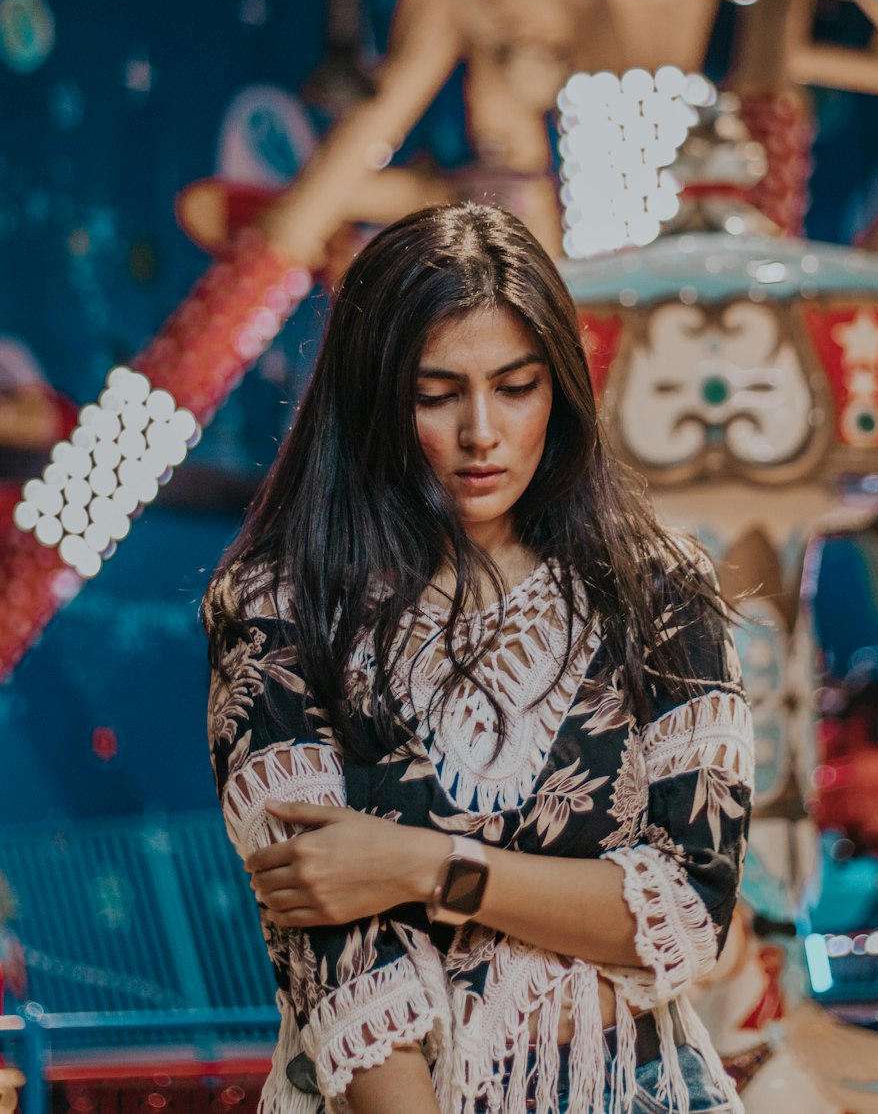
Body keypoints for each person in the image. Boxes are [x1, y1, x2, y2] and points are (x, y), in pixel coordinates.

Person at [203, 203, 753, 1114]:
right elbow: (341, 957)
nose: (481, 432)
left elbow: (689, 910)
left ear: (561, 387)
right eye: (435, 393)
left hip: (642, 1087)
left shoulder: (659, 590)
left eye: (516, 385)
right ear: (371, 396)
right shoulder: (280, 607)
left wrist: (423, 866)